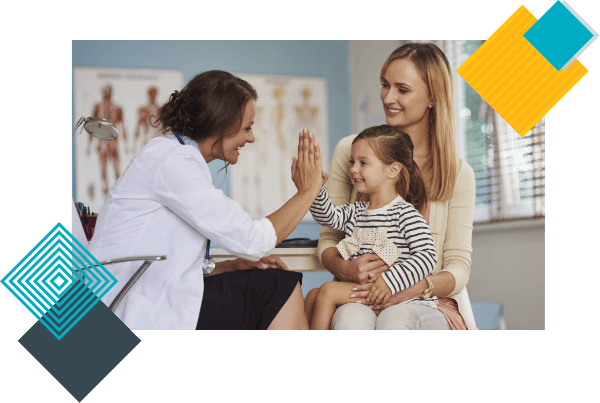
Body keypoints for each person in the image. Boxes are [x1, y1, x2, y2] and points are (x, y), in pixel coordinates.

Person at [89, 70, 325, 330]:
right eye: (247, 128)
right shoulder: (174, 161)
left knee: (269, 281)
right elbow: (253, 240)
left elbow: (171, 263)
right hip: (127, 313)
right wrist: (307, 192)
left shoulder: (171, 156)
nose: (251, 137)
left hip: (144, 297)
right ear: (221, 123)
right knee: (277, 286)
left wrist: (230, 266)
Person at [317, 43, 477, 330]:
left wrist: (411, 288)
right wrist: (344, 267)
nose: (388, 97)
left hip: (426, 300)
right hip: (360, 295)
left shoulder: (458, 173)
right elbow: (330, 237)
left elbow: (457, 267)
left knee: (396, 318)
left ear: (432, 97)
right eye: (385, 85)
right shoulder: (351, 152)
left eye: (402, 89)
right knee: (351, 321)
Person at [305, 125, 437, 330]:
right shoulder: (356, 211)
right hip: (364, 289)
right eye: (353, 162)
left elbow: (427, 255)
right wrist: (314, 188)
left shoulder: (405, 213)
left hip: (392, 292)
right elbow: (327, 216)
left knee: (327, 291)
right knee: (313, 296)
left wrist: (389, 281)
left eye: (363, 162)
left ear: (393, 170)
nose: (353, 169)